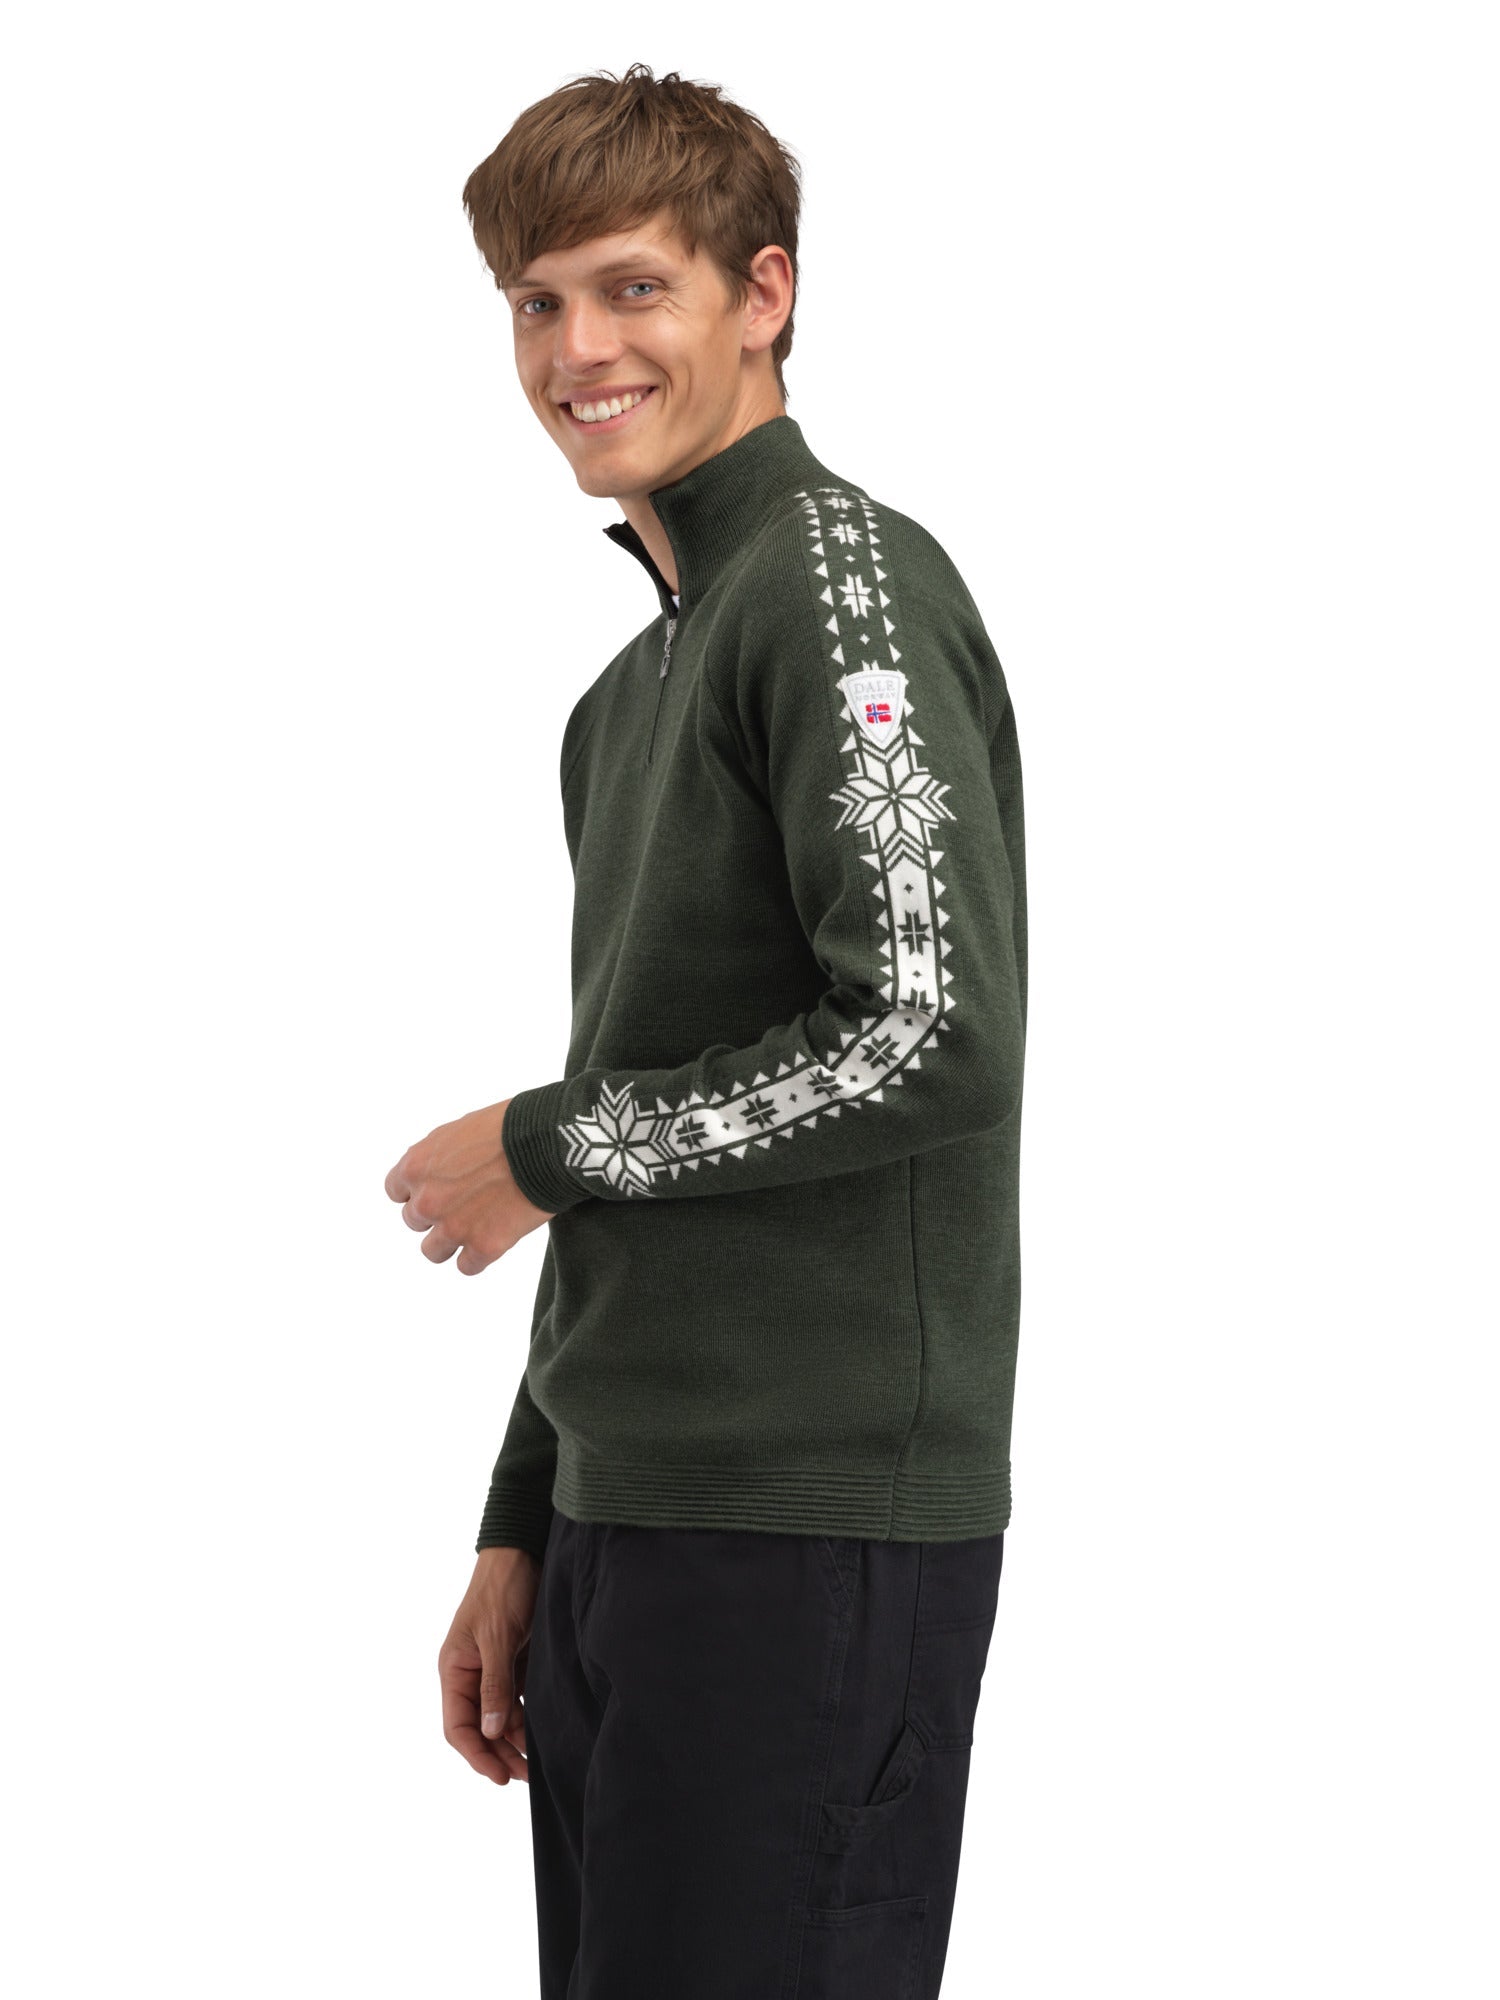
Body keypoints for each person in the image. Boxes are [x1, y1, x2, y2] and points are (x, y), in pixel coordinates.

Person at [383, 63, 1028, 2000]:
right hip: (632, 1523)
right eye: (536, 300)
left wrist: (541, 1142)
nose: (577, 348)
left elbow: (928, 1028)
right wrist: (525, 1515)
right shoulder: (630, 692)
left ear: (765, 293)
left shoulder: (840, 590)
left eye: (632, 288)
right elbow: (661, 1101)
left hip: (804, 1532)